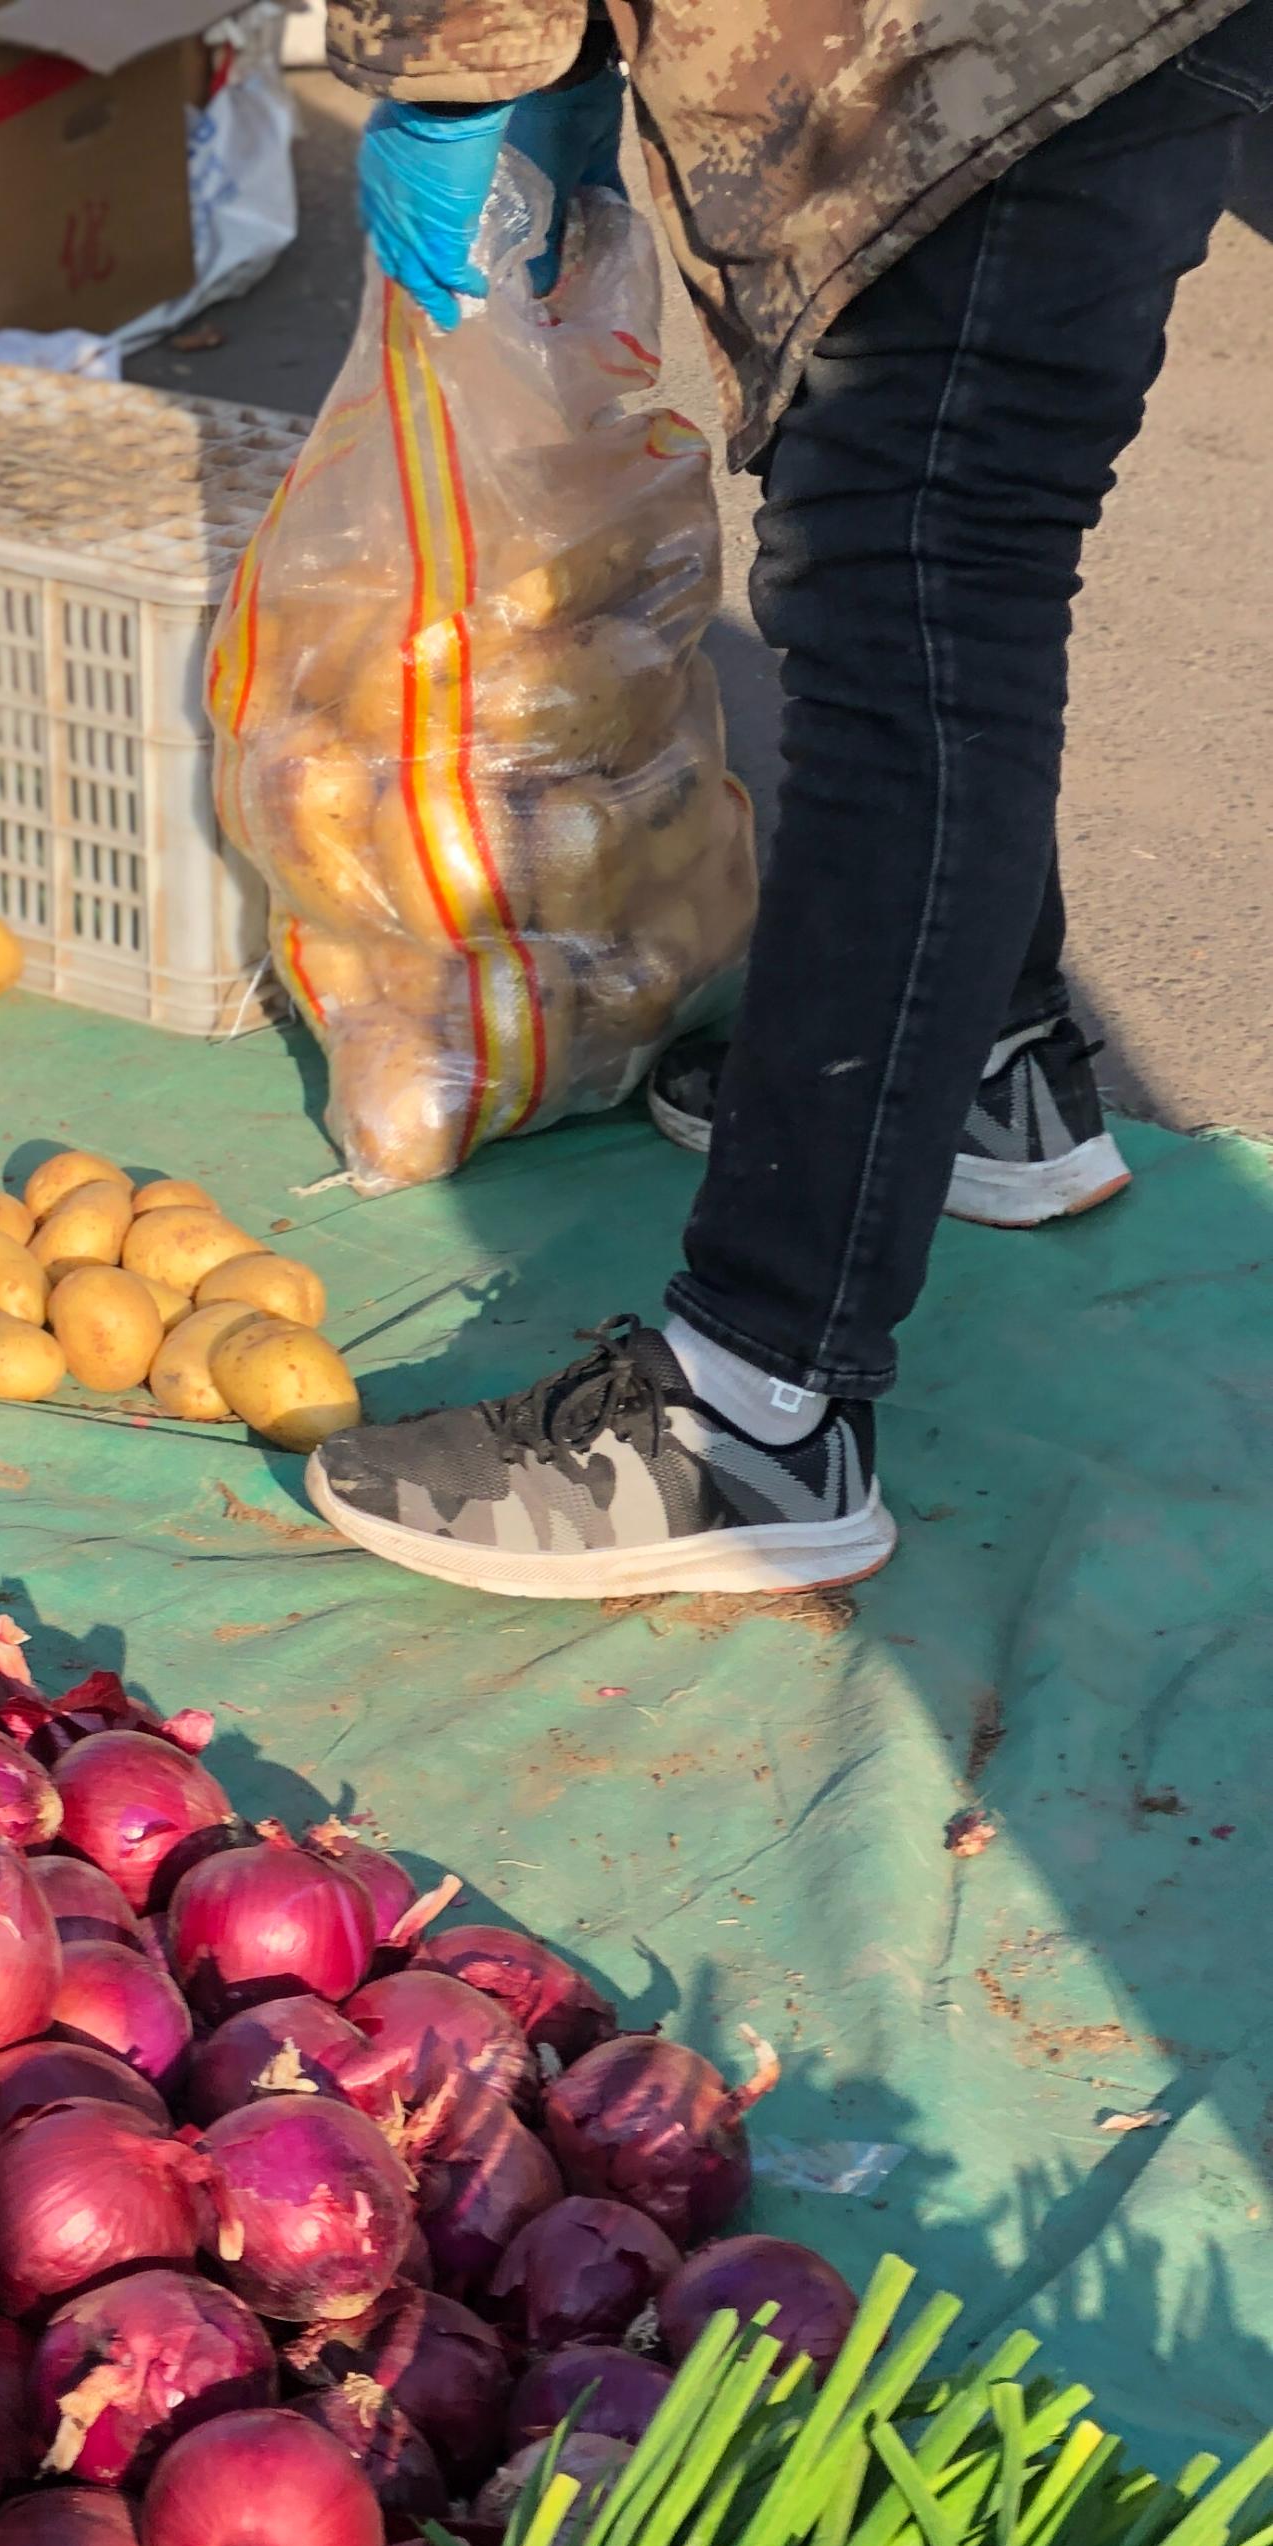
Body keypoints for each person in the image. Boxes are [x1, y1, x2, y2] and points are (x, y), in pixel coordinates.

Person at [302, 1, 1273, 1600]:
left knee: (916, 601)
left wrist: (457, 67)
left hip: (951, 65)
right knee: (951, 563)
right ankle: (990, 1070)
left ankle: (759, 1405)